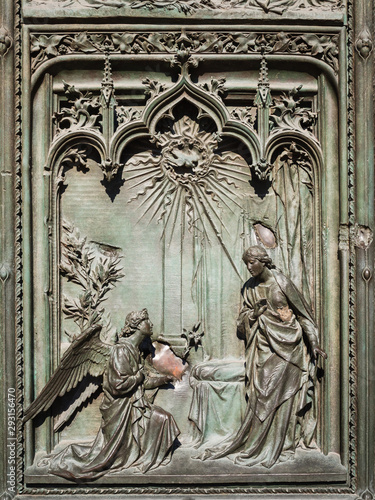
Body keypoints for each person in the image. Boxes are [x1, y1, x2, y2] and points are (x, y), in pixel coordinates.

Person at [200, 246, 327, 468]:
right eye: (246, 263)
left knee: (284, 399)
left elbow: (303, 315)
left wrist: (314, 343)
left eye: (252, 262)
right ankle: (258, 443)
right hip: (263, 348)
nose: (249, 267)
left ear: (263, 261)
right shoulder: (249, 289)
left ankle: (282, 443)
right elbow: (241, 325)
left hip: (289, 350)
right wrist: (254, 314)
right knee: (262, 394)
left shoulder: (281, 282)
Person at [49, 309, 180, 480]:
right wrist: (139, 376)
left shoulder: (134, 350)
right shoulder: (121, 351)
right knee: (164, 420)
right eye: (147, 321)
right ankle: (142, 461)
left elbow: (142, 382)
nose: (151, 324)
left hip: (134, 407)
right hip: (121, 411)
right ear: (138, 325)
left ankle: (146, 461)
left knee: (165, 420)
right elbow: (118, 385)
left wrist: (162, 379)